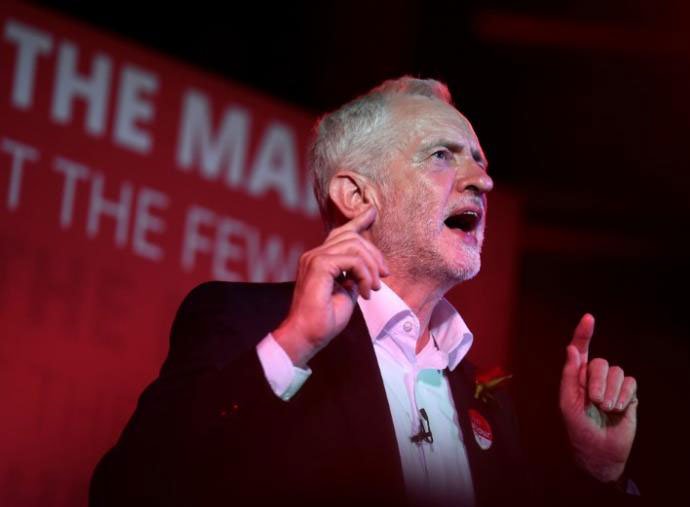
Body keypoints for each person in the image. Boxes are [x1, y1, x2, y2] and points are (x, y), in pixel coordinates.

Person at [90, 77, 639, 507]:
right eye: (443, 156)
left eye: (480, 161)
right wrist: (293, 345)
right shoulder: (242, 322)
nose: (482, 180)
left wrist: (599, 475)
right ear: (355, 195)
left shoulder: (487, 405)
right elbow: (129, 492)